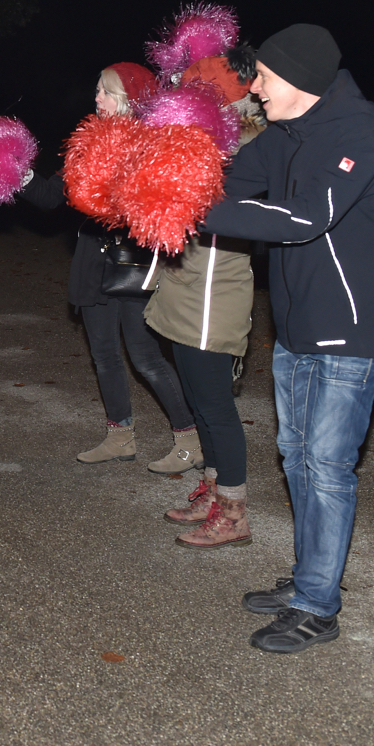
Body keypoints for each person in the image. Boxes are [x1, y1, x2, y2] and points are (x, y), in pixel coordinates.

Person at [199, 24, 374, 653]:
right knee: (296, 457)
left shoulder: (358, 134)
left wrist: (198, 213)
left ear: (301, 81)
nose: (252, 88)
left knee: (327, 467)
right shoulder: (286, 133)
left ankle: (318, 606)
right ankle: (307, 580)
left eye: (262, 76)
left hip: (352, 328)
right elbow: (230, 183)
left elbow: (306, 217)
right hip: (298, 326)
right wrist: (167, 183)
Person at [20, 63, 201, 471]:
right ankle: (120, 435)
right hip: (92, 262)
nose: (96, 98)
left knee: (145, 356)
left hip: (134, 262)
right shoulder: (85, 143)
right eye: (97, 89)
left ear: (130, 97)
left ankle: (189, 439)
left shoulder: (153, 145)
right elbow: (51, 196)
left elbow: (160, 208)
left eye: (105, 90)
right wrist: (16, 172)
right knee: (103, 355)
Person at [144, 54, 265, 548]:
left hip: (216, 296)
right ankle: (214, 492)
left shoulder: (251, 143)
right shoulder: (202, 138)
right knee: (198, 399)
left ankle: (234, 512)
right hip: (184, 287)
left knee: (216, 406)